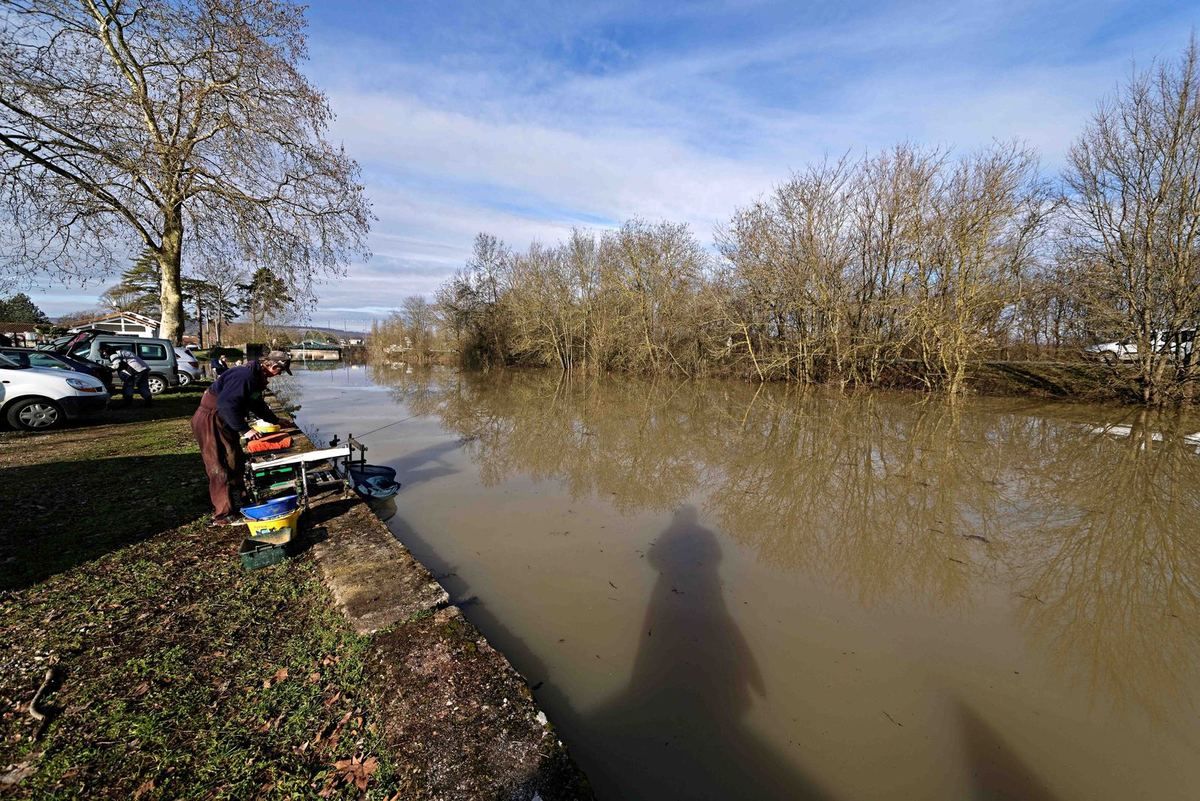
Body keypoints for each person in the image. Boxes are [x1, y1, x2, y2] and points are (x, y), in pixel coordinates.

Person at [190, 350, 293, 526]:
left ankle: (242, 503)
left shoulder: (255, 377)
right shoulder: (244, 375)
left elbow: (255, 403)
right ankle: (223, 515)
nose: (279, 375)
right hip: (211, 418)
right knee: (218, 466)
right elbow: (225, 404)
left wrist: (275, 420)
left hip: (225, 419)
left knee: (235, 461)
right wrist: (245, 430)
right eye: (280, 371)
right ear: (273, 366)